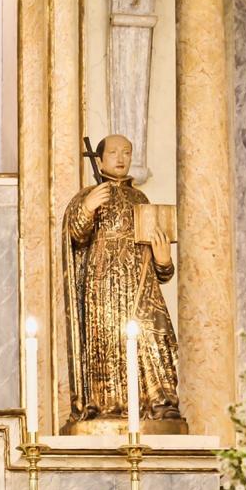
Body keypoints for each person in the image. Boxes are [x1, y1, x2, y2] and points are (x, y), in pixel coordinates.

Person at [62, 133, 181, 426]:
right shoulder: (88, 195)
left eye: (126, 152)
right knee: (109, 342)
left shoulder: (141, 199)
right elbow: (75, 237)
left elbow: (161, 270)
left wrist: (163, 260)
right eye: (113, 152)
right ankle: (109, 405)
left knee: (155, 335)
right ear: (100, 159)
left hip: (140, 286)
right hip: (103, 287)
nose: (120, 158)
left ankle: (161, 403)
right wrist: (87, 207)